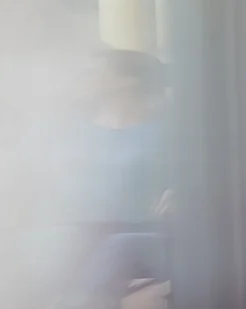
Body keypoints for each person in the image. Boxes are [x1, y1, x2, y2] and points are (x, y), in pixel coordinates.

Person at [48, 49, 173, 309]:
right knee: (54, 243)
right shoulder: (73, 129)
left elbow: (197, 175)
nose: (90, 77)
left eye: (99, 71)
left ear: (127, 81)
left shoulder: (164, 132)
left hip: (140, 231)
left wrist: (183, 191)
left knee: (117, 245)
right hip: (83, 229)